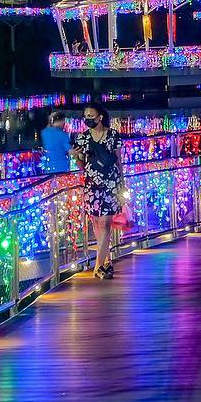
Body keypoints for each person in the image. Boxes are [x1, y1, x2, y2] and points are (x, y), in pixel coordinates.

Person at [71, 103, 123, 279]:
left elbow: (118, 162)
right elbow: (82, 166)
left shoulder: (114, 135)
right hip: (91, 185)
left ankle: (98, 266)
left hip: (110, 183)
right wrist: (76, 157)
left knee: (106, 223)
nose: (88, 119)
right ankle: (106, 262)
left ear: (100, 117)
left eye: (91, 116)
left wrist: (122, 183)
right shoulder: (82, 138)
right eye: (86, 116)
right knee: (97, 224)